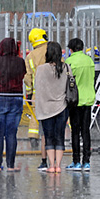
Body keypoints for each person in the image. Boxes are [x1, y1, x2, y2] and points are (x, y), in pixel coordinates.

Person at [0, 37, 26, 171]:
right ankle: (11, 165)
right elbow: (22, 75)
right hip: (15, 98)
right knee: (11, 133)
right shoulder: (20, 62)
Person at [34, 41, 71, 174]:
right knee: (59, 136)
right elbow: (70, 85)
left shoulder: (41, 69)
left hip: (45, 108)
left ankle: (51, 165)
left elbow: (36, 86)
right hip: (61, 107)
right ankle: (58, 165)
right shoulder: (66, 67)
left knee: (48, 137)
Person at [64, 38, 95, 171]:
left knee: (75, 131)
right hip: (88, 99)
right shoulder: (89, 60)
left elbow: (66, 82)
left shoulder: (69, 62)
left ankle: (76, 161)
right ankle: (86, 161)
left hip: (75, 100)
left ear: (70, 49)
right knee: (85, 131)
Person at [23, 28, 49, 169]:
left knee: (35, 114)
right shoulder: (51, 50)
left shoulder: (30, 56)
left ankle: (33, 137)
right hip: (52, 91)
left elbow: (28, 77)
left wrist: (29, 91)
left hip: (37, 91)